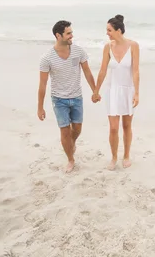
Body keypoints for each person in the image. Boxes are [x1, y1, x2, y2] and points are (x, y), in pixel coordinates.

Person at [37, 20, 97, 173]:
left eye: (71, 32)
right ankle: (70, 159)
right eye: (68, 33)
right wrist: (40, 107)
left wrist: (95, 91)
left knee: (77, 129)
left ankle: (71, 143)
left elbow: (87, 72)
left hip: (77, 97)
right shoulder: (47, 58)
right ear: (58, 35)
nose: (72, 35)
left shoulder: (78, 52)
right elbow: (43, 84)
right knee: (64, 131)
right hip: (59, 99)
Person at [93, 14, 140, 170]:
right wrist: (96, 90)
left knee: (127, 125)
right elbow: (102, 70)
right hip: (112, 91)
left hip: (128, 90)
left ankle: (126, 155)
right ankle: (113, 157)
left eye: (109, 30)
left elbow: (135, 71)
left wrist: (137, 93)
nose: (107, 33)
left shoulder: (133, 45)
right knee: (113, 127)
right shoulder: (108, 47)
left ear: (119, 30)